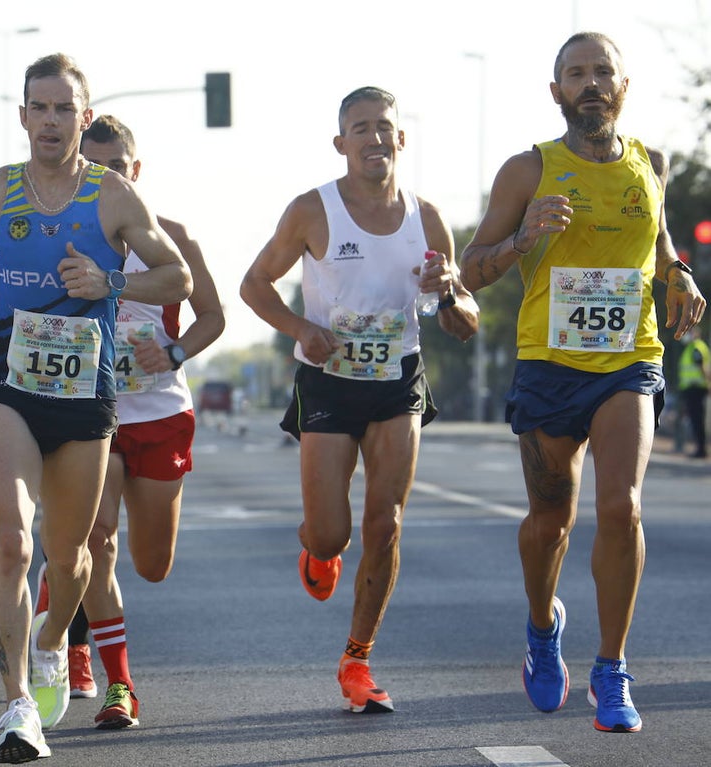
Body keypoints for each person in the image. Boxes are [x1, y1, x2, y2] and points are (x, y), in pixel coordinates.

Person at [0, 53, 190, 764]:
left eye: (63, 108)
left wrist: (110, 279)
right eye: (38, 108)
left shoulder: (114, 196)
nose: (49, 120)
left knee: (70, 560)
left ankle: (49, 642)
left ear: (85, 116)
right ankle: (16, 706)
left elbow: (176, 274)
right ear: (22, 117)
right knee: (13, 539)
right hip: (7, 377)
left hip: (83, 387)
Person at [460, 32, 706, 733]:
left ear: (623, 88)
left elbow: (660, 249)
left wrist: (679, 273)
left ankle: (612, 668)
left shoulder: (650, 164)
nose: (590, 83)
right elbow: (472, 267)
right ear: (556, 91)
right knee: (549, 521)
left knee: (622, 507)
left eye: (603, 72)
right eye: (576, 73)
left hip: (630, 357)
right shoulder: (527, 170)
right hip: (549, 362)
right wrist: (521, 238)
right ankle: (542, 628)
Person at [241, 86, 478, 716]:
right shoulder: (312, 211)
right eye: (360, 128)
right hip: (328, 382)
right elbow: (253, 283)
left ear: (402, 139)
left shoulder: (427, 218)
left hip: (398, 381)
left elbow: (463, 321)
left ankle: (358, 658)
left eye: (385, 128)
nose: (375, 138)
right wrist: (300, 330)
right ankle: (318, 549)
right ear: (341, 143)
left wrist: (451, 292)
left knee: (387, 523)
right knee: (330, 533)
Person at [56, 114, 225, 728]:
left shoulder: (173, 237)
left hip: (161, 413)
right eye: (93, 169)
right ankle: (117, 683)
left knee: (152, 564)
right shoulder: (66, 234)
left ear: (136, 169)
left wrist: (175, 352)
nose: (107, 178)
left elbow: (212, 316)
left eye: (117, 168)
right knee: (94, 540)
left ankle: (69, 595)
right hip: (91, 413)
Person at [677, 328, 710, 458]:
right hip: (692, 389)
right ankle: (700, 448)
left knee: (697, 420)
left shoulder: (696, 347)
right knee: (696, 420)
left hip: (695, 388)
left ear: (696, 333)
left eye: (689, 332)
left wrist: (708, 384)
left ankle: (701, 450)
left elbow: (702, 367)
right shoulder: (692, 347)